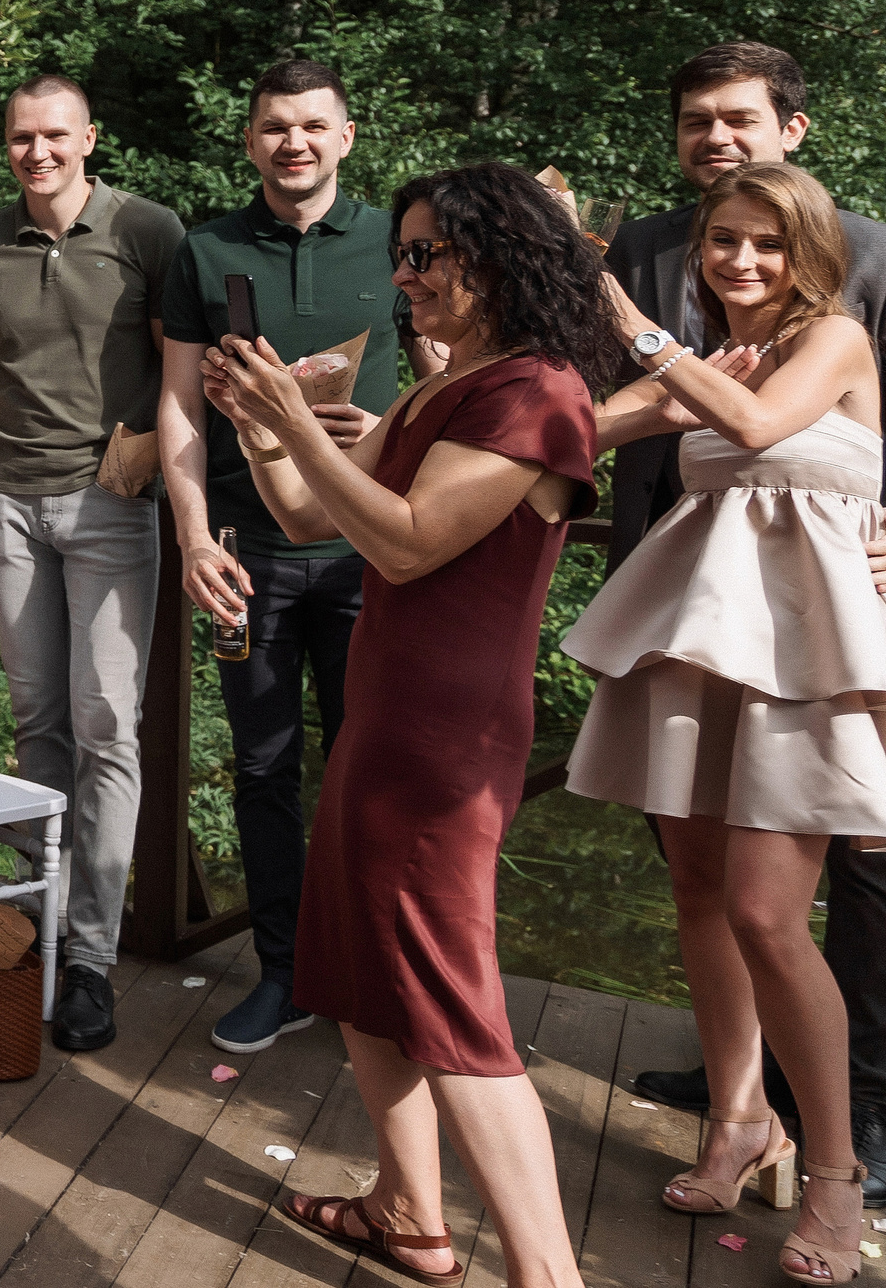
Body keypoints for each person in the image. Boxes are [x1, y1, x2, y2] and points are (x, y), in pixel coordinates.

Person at [209, 161, 612, 1288]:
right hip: (384, 725)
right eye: (406, 251)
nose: (405, 273)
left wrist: (298, 413)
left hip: (444, 742)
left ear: (500, 257)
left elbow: (403, 542)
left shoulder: (535, 392)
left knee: (448, 1001)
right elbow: (306, 514)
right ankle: (407, 1212)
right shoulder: (451, 387)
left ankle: (545, 1273)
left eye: (428, 252)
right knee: (354, 972)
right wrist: (262, 432)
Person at [564, 162, 885, 1283]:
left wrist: (621, 311)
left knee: (766, 913)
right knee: (697, 892)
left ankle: (838, 1176)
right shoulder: (717, 351)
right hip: (701, 637)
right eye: (720, 241)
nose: (739, 261)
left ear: (807, 254)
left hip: (802, 654)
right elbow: (615, 436)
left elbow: (754, 428)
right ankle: (741, 1119)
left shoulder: (833, 342)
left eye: (763, 243)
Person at [0, 75, 185, 1055]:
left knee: (109, 727)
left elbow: (180, 367)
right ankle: (40, 926)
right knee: (38, 724)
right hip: (8, 499)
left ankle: (92, 959)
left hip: (111, 504)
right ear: (6, 145)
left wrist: (148, 434)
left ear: (89, 138)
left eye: (55, 136)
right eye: (22, 137)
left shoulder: (147, 230)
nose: (38, 153)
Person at [155, 57, 413, 1056]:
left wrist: (382, 424)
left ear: (346, 135)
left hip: (366, 550)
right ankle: (285, 973)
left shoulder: (400, 241)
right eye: (273, 127)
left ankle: (373, 968)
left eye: (312, 125)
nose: (292, 143)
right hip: (239, 551)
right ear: (249, 139)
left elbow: (446, 374)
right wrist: (186, 533)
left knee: (368, 765)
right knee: (263, 771)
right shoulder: (205, 248)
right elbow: (176, 406)